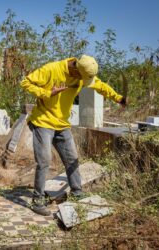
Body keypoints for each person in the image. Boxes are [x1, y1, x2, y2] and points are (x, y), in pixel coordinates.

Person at [20, 55, 127, 216]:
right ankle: (37, 200)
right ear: (76, 68)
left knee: (72, 158)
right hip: (43, 121)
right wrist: (46, 92)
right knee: (44, 161)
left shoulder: (83, 74)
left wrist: (119, 98)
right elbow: (25, 82)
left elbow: (101, 86)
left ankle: (77, 193)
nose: (83, 83)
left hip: (62, 124)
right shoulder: (52, 69)